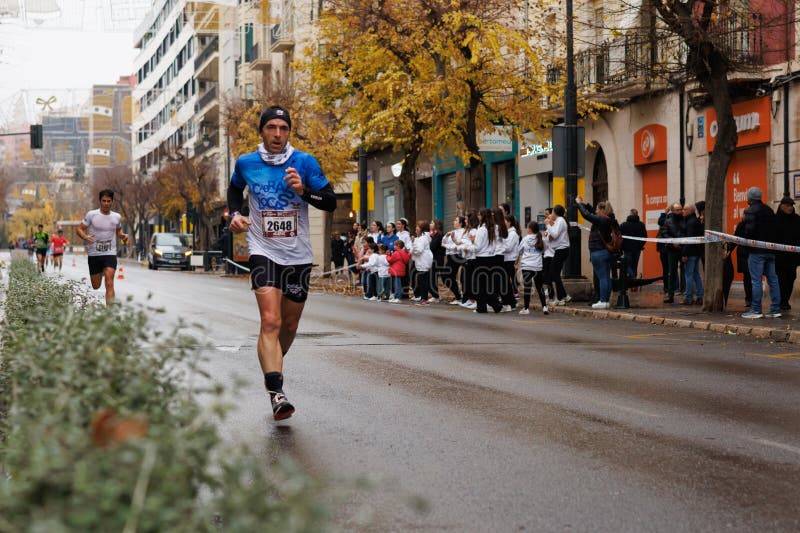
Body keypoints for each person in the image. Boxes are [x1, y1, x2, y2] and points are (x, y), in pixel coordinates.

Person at [227, 105, 337, 420]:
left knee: (289, 325)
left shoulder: (304, 162)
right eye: (271, 127)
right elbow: (235, 191)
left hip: (298, 254)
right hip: (263, 248)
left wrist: (303, 191)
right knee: (271, 322)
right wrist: (236, 215)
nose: (277, 134)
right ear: (262, 131)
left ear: (289, 131)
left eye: (283, 128)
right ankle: (276, 391)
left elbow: (329, 200)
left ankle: (273, 358)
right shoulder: (246, 162)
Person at [77, 189, 129, 305]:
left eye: (108, 201)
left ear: (112, 202)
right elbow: (79, 229)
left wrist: (123, 236)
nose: (106, 203)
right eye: (104, 201)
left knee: (110, 283)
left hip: (110, 253)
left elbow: (118, 232)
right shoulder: (92, 215)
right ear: (100, 201)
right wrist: (85, 237)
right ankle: (100, 271)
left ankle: (109, 315)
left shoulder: (117, 217)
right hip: (94, 254)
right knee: (96, 286)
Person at [740, 187, 781, 319]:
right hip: (770, 250)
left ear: (749, 198)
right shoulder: (769, 210)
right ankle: (775, 309)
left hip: (756, 251)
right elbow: (775, 229)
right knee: (773, 280)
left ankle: (756, 310)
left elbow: (749, 232)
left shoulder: (750, 211)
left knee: (756, 280)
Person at [575, 196, 618, 310]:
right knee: (606, 277)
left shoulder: (601, 220)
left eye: (598, 209)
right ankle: (606, 301)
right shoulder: (610, 219)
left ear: (603, 210)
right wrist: (584, 204)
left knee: (602, 278)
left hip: (598, 251)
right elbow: (590, 212)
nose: (596, 211)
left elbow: (586, 215)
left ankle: (603, 301)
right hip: (606, 251)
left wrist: (579, 204)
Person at [518, 220, 548, 315]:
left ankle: (526, 308)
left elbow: (519, 250)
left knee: (527, 287)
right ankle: (544, 307)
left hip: (526, 265)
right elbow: (544, 249)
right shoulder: (541, 238)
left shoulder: (525, 239)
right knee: (540, 287)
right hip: (537, 266)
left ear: (530, 229)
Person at [774, 197, 800, 310]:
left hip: (793, 257)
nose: (790, 208)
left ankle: (785, 300)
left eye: (791, 205)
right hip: (779, 257)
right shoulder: (775, 220)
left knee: (791, 278)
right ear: (782, 206)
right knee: (780, 279)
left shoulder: (797, 219)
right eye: (788, 205)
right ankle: (781, 300)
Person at [659, 202, 685, 303]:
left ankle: (685, 293)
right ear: (673, 211)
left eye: (681, 209)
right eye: (677, 210)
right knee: (671, 272)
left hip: (683, 248)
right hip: (671, 249)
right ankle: (670, 294)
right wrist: (673, 242)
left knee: (685, 271)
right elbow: (664, 233)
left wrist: (681, 242)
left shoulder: (685, 220)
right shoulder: (668, 221)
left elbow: (687, 233)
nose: (680, 211)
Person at [546, 205, 571, 305]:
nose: (551, 215)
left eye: (552, 212)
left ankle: (561, 298)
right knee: (554, 272)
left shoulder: (560, 220)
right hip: (559, 249)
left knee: (554, 272)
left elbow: (554, 234)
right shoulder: (558, 221)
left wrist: (548, 224)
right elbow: (550, 237)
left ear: (555, 213)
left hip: (562, 249)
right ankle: (564, 296)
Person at [681, 203, 704, 305]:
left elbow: (689, 239)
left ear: (690, 211)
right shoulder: (696, 221)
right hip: (696, 252)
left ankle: (688, 297)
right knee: (696, 274)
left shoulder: (690, 222)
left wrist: (685, 253)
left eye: (685, 209)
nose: (683, 211)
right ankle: (699, 296)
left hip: (690, 252)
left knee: (689, 275)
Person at [442, 216, 465, 304]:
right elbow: (443, 242)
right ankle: (458, 295)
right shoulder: (452, 231)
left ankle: (459, 296)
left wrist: (448, 246)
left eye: (456, 220)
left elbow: (458, 245)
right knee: (447, 277)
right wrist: (447, 236)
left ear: (461, 223)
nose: (453, 221)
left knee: (447, 276)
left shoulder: (463, 232)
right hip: (450, 256)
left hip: (457, 256)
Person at [409, 220, 434, 304]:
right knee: (421, 280)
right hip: (421, 262)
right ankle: (423, 298)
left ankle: (424, 299)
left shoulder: (423, 238)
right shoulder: (420, 238)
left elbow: (419, 250)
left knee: (423, 281)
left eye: (418, 227)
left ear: (422, 229)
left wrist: (413, 247)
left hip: (423, 262)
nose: (416, 228)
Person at [619, 208, 647, 280]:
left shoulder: (624, 224)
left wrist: (622, 246)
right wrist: (640, 245)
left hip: (627, 249)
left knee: (627, 265)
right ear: (637, 215)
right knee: (635, 265)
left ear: (630, 214)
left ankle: (633, 277)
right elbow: (645, 237)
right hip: (637, 249)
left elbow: (619, 237)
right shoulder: (641, 225)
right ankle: (634, 283)